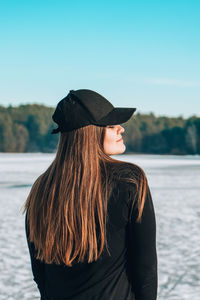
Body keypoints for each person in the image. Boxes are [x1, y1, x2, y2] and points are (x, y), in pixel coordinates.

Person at [24, 89, 157, 300]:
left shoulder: (42, 188)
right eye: (112, 125)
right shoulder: (129, 180)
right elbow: (145, 270)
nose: (121, 129)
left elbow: (41, 275)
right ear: (89, 132)